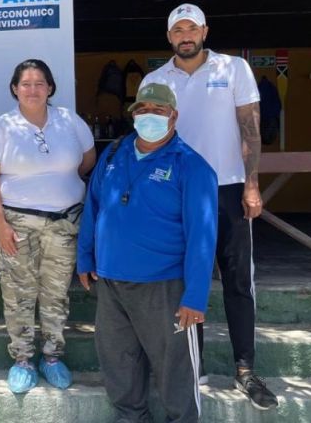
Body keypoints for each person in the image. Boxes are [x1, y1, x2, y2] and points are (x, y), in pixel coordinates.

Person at [141, 4, 278, 410]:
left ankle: (245, 371)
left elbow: (250, 128)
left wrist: (252, 185)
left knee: (238, 281)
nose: (186, 35)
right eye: (178, 29)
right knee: (184, 284)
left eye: (192, 28)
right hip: (175, 193)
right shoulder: (154, 79)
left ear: (204, 31)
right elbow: (148, 138)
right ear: (169, 37)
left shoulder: (233, 69)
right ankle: (191, 372)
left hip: (228, 190)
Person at [77, 83, 218, 423]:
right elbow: (93, 207)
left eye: (158, 110)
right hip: (111, 281)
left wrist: (196, 296)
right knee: (117, 360)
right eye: (142, 110)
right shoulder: (113, 154)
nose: (149, 116)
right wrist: (85, 257)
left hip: (164, 285)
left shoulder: (192, 166)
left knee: (175, 368)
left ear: (174, 116)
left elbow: (203, 234)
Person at [0, 59, 96, 393]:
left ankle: (53, 356)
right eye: (25, 83)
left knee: (56, 293)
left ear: (50, 87)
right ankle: (23, 360)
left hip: (63, 223)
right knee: (18, 294)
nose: (33, 89)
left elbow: (87, 161)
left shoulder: (69, 121)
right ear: (15, 88)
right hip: (16, 223)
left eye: (40, 83)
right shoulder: (2, 127)